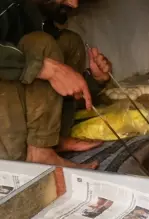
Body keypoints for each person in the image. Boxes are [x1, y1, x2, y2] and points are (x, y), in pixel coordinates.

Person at [0, 0, 113, 169]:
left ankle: (53, 139)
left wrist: (95, 80)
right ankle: (39, 154)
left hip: (14, 105)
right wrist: (45, 68)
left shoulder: (33, 13)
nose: (74, 4)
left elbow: (45, 93)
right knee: (40, 43)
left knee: (69, 42)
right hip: (8, 138)